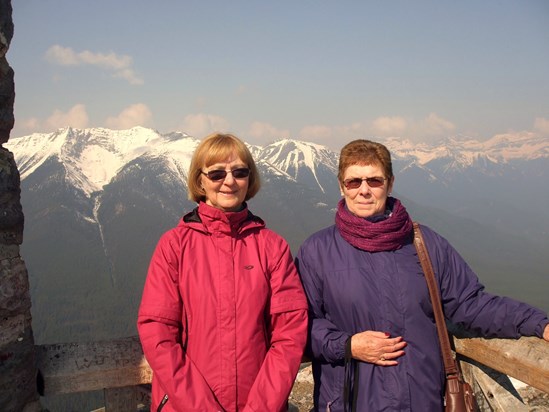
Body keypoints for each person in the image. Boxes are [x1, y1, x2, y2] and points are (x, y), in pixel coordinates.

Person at [295, 139, 549, 411]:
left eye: (374, 181)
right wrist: (348, 344)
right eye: (354, 182)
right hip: (351, 401)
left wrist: (538, 323)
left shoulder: (425, 244)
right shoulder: (316, 251)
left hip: (420, 400)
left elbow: (470, 304)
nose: (364, 190)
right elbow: (299, 323)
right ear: (341, 186)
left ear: (390, 183)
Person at [137, 132, 308, 412]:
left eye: (240, 172)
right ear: (200, 181)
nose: (229, 181)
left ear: (250, 179)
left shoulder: (272, 247)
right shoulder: (174, 246)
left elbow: (289, 335)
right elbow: (158, 334)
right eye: (217, 174)